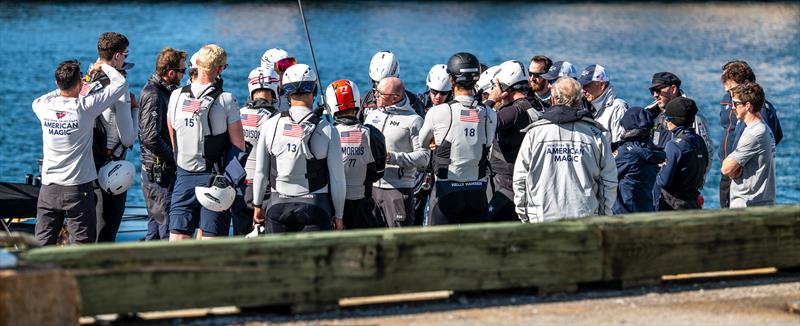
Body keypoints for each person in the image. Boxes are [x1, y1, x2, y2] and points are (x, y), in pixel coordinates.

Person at [33, 60, 128, 245]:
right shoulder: (84, 107)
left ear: (57, 83)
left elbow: (42, 98)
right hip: (77, 188)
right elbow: (120, 84)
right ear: (79, 83)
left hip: (49, 188)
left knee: (42, 245)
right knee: (83, 245)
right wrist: (102, 67)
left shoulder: (43, 106)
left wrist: (65, 88)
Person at [251, 64, 346, 233]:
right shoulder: (328, 130)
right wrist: (339, 216)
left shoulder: (270, 125)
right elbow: (338, 179)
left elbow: (260, 173)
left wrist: (257, 205)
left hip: (277, 206)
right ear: (314, 90)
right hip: (316, 207)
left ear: (286, 92)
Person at [166, 44, 245, 240]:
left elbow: (173, 136)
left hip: (183, 176)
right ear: (219, 69)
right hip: (215, 178)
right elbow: (239, 147)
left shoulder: (176, 96)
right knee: (212, 244)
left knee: (176, 240)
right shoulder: (227, 99)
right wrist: (228, 180)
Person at [513, 77, 616, 222]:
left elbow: (520, 178)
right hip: (585, 217)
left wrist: (524, 215)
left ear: (553, 100)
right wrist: (603, 216)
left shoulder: (534, 134)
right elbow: (609, 181)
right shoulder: (596, 135)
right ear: (579, 101)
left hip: (541, 217)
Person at [419, 52, 497, 225]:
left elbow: (422, 143)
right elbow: (488, 143)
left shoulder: (438, 112)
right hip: (477, 191)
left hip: (446, 190)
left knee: (441, 246)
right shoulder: (490, 113)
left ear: (452, 80)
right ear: (476, 79)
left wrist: (436, 142)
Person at [83, 32, 137, 243]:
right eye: (125, 55)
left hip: (85, 166)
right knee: (105, 234)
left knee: (82, 232)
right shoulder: (119, 90)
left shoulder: (87, 82)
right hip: (109, 169)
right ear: (116, 57)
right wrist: (135, 109)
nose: (125, 59)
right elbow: (128, 139)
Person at [364, 77, 428, 227]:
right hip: (371, 188)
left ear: (395, 97)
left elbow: (424, 158)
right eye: (376, 92)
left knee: (398, 241)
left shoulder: (414, 120)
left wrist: (393, 157)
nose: (376, 96)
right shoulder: (372, 115)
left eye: (380, 94)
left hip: (398, 189)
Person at [718, 61, 782, 208]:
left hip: (742, 174)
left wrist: (742, 163)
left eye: (732, 89)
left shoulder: (761, 112)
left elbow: (769, 139)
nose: (730, 94)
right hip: (731, 171)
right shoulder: (731, 102)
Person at [139, 47, 186, 240]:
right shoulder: (154, 94)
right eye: (182, 71)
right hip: (158, 173)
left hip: (159, 171)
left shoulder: (164, 92)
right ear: (171, 73)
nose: (184, 75)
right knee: (165, 226)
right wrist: (175, 157)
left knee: (156, 225)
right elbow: (150, 137)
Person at [327, 79, 388, 229]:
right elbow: (377, 173)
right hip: (362, 205)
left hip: (331, 207)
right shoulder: (372, 134)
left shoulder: (326, 133)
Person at [484, 60, 538, 222]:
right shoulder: (530, 106)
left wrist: (491, 100)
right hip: (521, 182)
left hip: (506, 184)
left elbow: (481, 122)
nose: (494, 90)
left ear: (505, 88)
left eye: (497, 87)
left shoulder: (514, 111)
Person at [237, 66, 281, 235]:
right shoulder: (277, 119)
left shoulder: (237, 114)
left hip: (240, 186)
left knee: (241, 234)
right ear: (275, 89)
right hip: (266, 189)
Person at [653, 97, 708, 211]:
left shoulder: (673, 145)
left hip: (673, 205)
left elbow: (664, 181)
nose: (666, 121)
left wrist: (657, 169)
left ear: (675, 120)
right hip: (693, 201)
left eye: (667, 118)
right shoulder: (699, 140)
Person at [613, 107, 665, 214]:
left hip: (624, 212)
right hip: (646, 209)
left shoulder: (626, 152)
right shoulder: (654, 150)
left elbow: (604, 174)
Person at [359, 51, 424, 120]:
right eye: (376, 83)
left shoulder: (413, 102)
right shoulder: (365, 101)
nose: (377, 93)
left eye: (385, 84)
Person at [579, 64, 628, 144]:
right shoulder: (581, 103)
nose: (583, 89)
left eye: (587, 85)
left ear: (602, 85)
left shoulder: (618, 107)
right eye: (582, 85)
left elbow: (620, 144)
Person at [261, 48, 295, 112]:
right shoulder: (259, 96)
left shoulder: (294, 93)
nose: (287, 71)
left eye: (290, 65)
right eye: (283, 66)